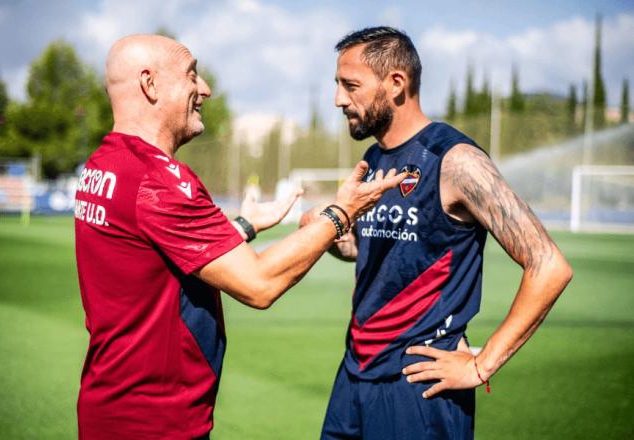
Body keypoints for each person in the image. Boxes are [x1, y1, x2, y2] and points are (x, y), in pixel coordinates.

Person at [74, 34, 406, 440]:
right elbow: (259, 284)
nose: (205, 89)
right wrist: (342, 213)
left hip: (111, 409)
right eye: (192, 74)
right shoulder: (156, 180)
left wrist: (246, 226)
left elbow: (161, 258)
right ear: (150, 84)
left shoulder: (106, 163)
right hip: (154, 422)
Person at [299, 27, 573, 439]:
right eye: (337, 85)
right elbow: (380, 248)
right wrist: (331, 232)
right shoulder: (374, 158)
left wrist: (482, 365)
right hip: (355, 373)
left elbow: (549, 265)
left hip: (416, 385)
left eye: (350, 85)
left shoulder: (456, 161)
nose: (339, 99)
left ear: (396, 83)